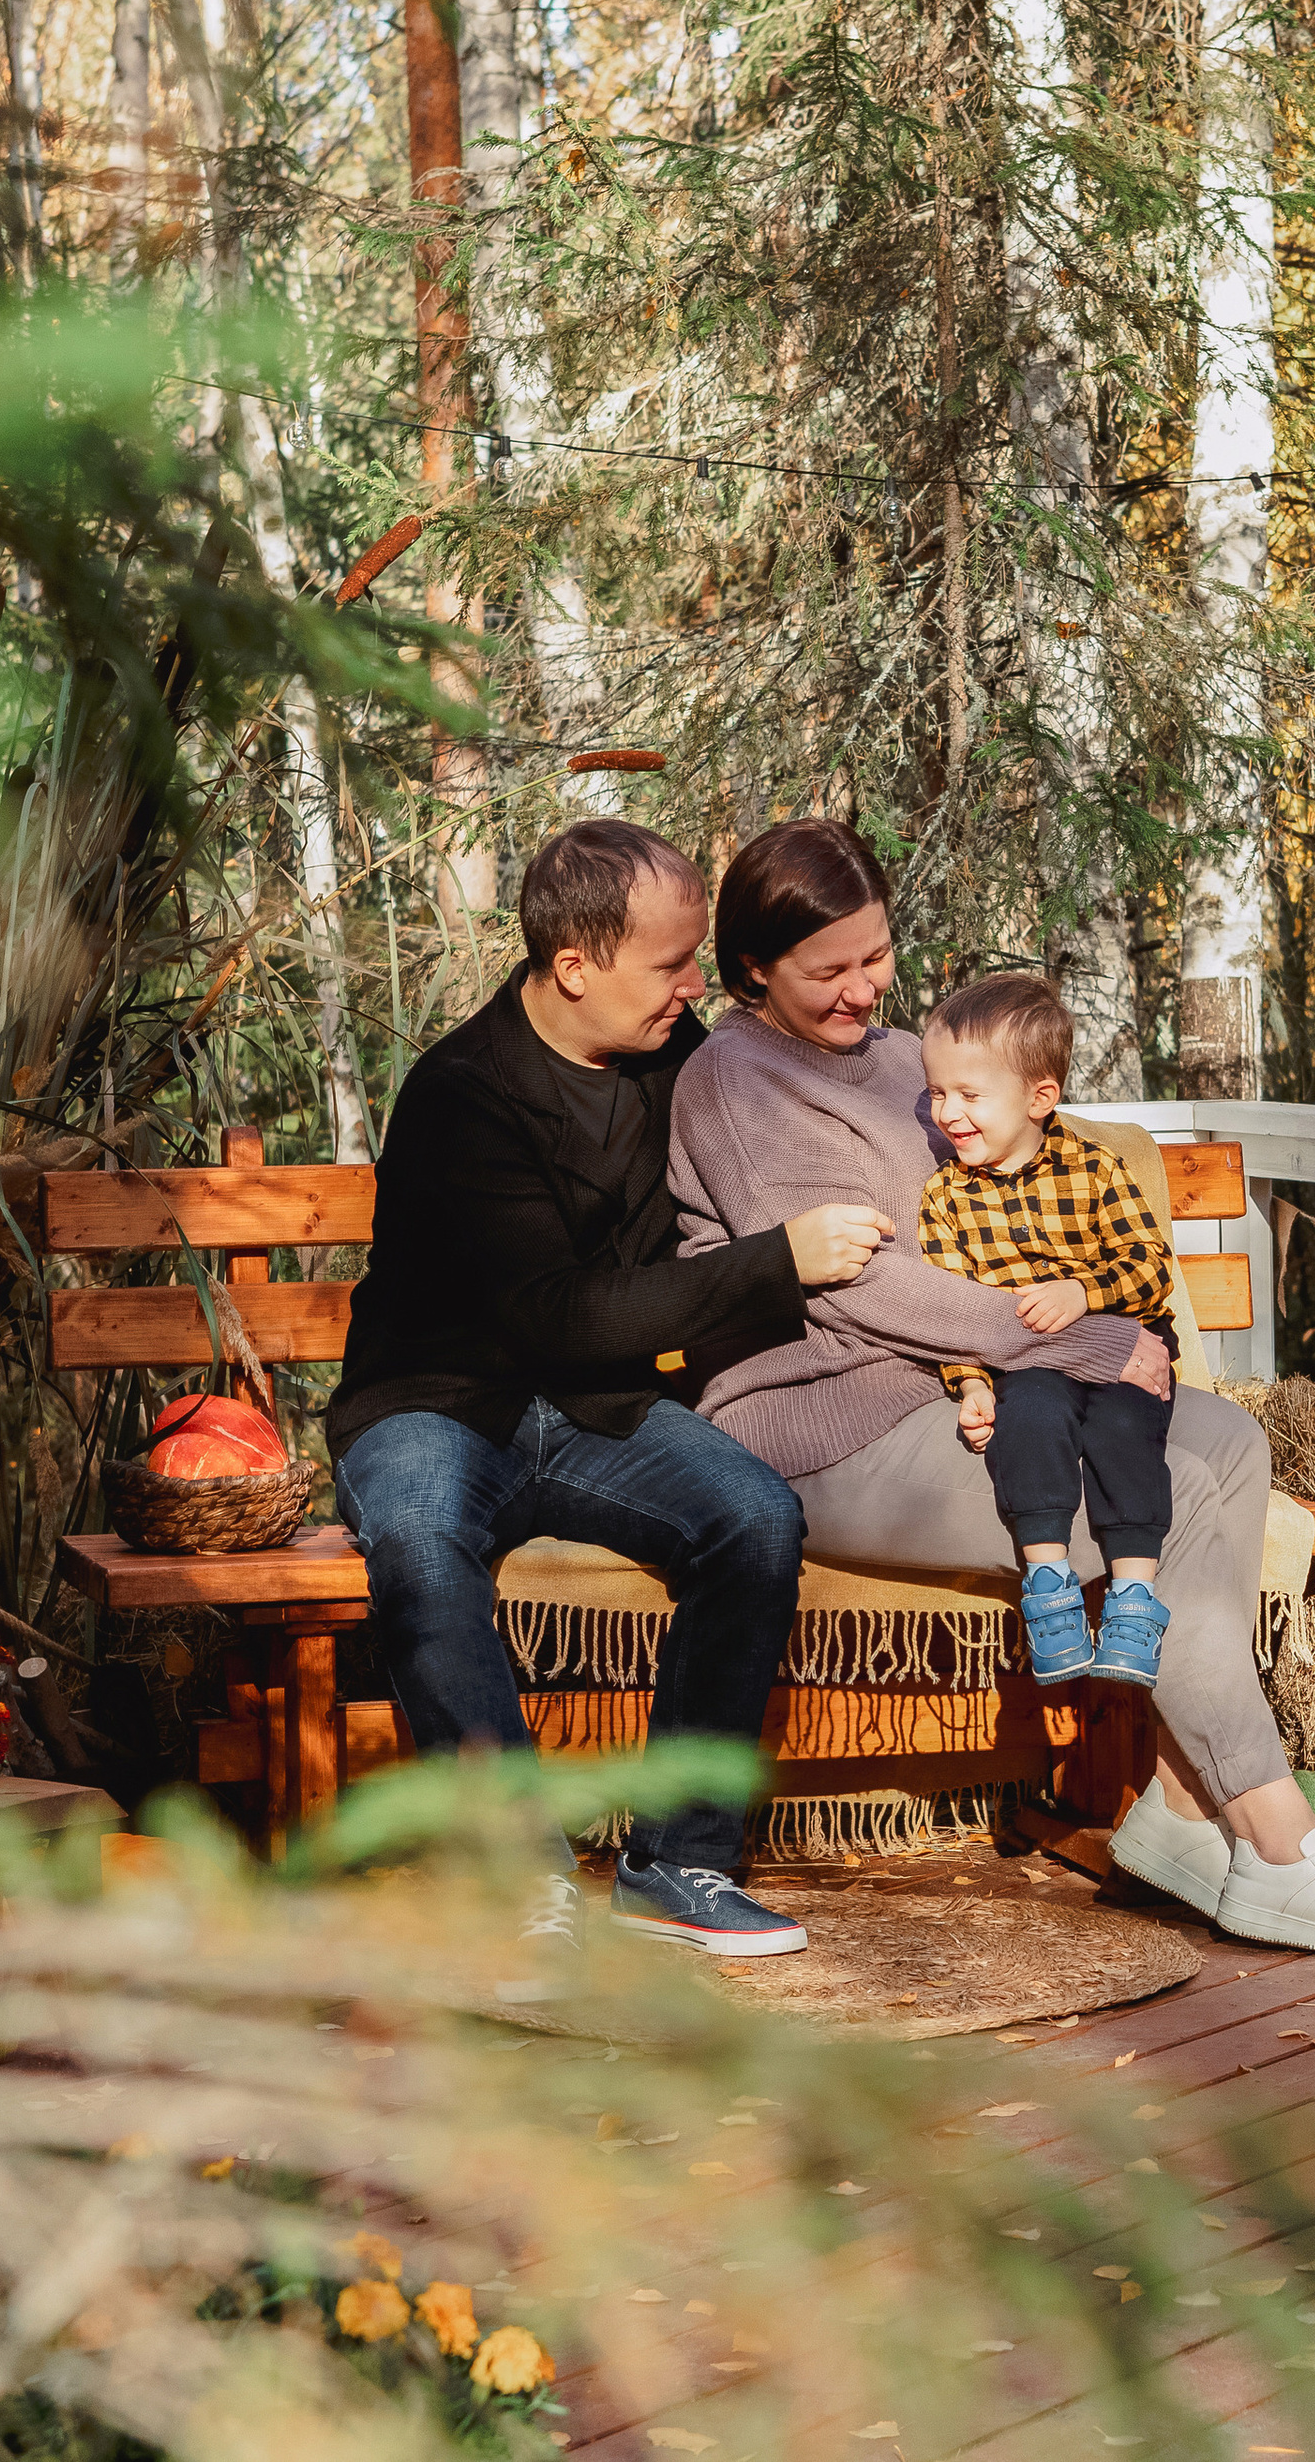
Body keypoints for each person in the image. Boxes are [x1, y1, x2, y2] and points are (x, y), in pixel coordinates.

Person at [666, 818, 1315, 1960]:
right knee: (1172, 1491)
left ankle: (1185, 1817)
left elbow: (1021, 1186)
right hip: (837, 1424)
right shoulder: (733, 1081)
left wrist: (1098, 1300)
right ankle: (1275, 1840)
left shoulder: (901, 1061)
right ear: (753, 969)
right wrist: (1084, 1345)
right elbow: (860, 1291)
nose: (859, 990)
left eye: (873, 956)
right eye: (824, 971)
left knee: (1225, 1441)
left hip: (972, 1386)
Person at [324, 818, 899, 1974]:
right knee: (423, 1548)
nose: (694, 988)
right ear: (574, 965)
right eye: (670, 965)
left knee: (753, 1516)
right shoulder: (461, 1095)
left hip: (596, 1413)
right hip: (434, 1402)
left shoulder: (679, 1059)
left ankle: (679, 1866)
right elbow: (556, 1313)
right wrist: (779, 1259)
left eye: (698, 961)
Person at [917, 972, 1177, 1692]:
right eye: (939, 1093)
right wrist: (969, 1383)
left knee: (1125, 1428)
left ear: (1040, 1098)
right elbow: (950, 1307)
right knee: (1027, 1412)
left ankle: (1132, 1595)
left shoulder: (1096, 1171)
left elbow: (1151, 1270)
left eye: (971, 1096)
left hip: (1122, 1345)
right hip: (1020, 1360)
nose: (949, 1113)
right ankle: (1050, 1584)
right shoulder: (945, 1199)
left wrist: (1082, 1291)